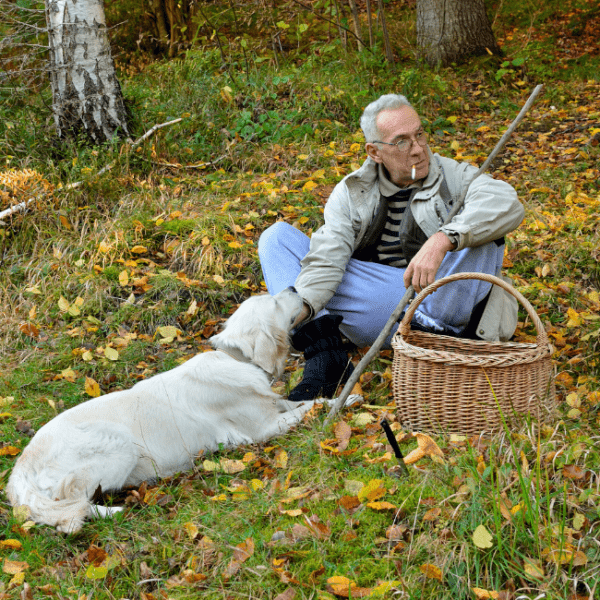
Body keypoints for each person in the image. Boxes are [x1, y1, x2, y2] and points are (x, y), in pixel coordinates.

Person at [258, 94, 524, 401]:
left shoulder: (454, 176)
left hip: (443, 303)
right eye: (401, 141)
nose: (418, 148)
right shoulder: (351, 192)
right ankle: (326, 357)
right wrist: (303, 308)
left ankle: (438, 343)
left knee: (483, 231)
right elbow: (328, 257)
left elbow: (507, 203)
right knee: (276, 238)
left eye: (420, 134)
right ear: (375, 151)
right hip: (387, 306)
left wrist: (444, 239)